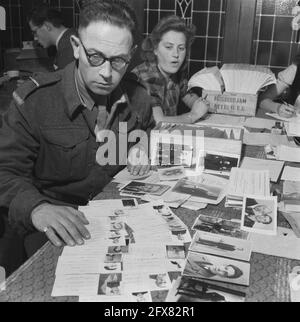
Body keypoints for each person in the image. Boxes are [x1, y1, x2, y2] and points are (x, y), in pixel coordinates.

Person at [0, 0, 153, 274]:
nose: (106, 73)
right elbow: (5, 172)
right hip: (50, 226)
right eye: (95, 56)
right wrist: (37, 209)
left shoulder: (138, 96)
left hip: (115, 219)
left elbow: (148, 128)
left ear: (131, 54)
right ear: (75, 47)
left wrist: (141, 144)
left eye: (118, 60)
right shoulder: (35, 101)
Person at [130, 15, 209, 125]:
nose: (176, 54)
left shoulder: (175, 72)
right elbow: (158, 122)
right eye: (168, 47)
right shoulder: (146, 78)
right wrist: (194, 115)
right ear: (155, 49)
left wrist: (200, 103)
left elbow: (187, 95)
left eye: (181, 48)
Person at [27, 4, 77, 70]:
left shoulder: (68, 48)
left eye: (35, 32)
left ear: (47, 26)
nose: (35, 38)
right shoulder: (69, 37)